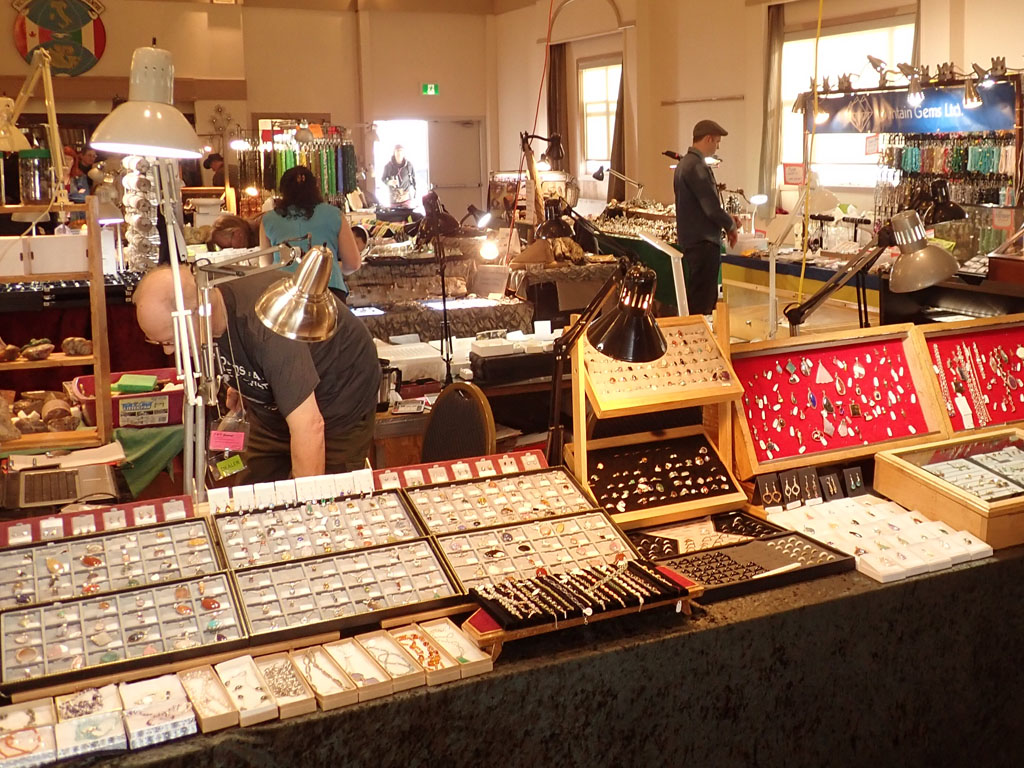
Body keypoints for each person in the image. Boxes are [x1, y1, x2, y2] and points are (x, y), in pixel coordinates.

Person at [132, 265, 380, 481]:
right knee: (252, 495)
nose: (168, 351)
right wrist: (242, 382)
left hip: (337, 403)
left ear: (198, 311)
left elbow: (310, 426)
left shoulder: (266, 323)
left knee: (327, 496)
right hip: (273, 410)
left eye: (170, 340)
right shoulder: (210, 314)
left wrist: (306, 508)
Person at [260, 165, 362, 300]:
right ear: (315, 187)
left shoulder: (268, 220)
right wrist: (332, 266)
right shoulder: (334, 214)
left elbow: (265, 265)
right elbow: (353, 263)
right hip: (329, 288)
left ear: (283, 190)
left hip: (285, 292)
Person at [673, 119, 739, 315]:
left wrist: (727, 218)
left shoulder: (683, 164)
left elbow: (700, 207)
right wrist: (730, 225)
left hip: (691, 243)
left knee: (695, 299)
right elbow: (710, 207)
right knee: (703, 305)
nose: (717, 147)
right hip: (703, 245)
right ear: (708, 139)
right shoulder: (697, 167)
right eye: (717, 142)